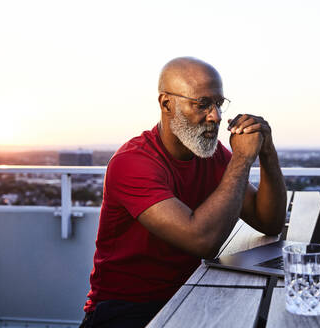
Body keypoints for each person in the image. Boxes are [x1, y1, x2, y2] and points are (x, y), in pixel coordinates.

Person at [80, 57, 286, 327]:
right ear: (167, 103)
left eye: (218, 104)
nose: (216, 116)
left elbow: (269, 222)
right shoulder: (132, 163)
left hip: (189, 292)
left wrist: (267, 153)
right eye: (202, 104)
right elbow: (202, 241)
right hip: (125, 310)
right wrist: (241, 160)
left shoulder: (208, 154)